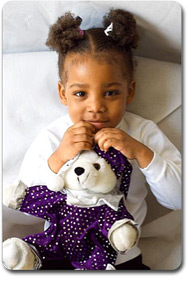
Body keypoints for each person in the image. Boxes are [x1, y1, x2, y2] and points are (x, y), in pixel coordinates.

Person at [18, 9, 181, 270]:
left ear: (130, 91)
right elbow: (24, 206)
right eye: (81, 93)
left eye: (111, 92)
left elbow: (178, 199)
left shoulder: (142, 133)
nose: (96, 107)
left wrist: (141, 153)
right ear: (63, 93)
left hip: (122, 259)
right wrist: (58, 158)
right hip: (59, 255)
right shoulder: (54, 136)